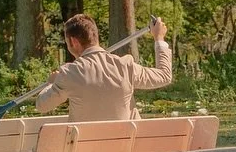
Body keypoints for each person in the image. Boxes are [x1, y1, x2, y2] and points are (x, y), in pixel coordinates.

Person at [34, 13, 171, 123]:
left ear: (73, 42)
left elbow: (42, 106)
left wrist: (52, 83)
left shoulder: (69, 73)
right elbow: (164, 76)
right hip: (126, 151)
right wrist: (159, 38)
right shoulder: (125, 66)